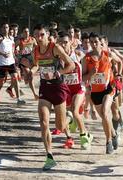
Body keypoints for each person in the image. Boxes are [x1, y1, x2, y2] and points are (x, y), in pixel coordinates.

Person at [31, 24, 74, 170]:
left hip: (58, 87)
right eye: (36, 34)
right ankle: (49, 156)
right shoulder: (35, 50)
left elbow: (71, 65)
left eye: (42, 34)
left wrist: (57, 73)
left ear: (47, 35)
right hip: (45, 88)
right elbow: (36, 65)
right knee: (43, 122)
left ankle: (69, 117)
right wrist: (31, 71)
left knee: (60, 127)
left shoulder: (55, 48)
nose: (39, 37)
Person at [82, 32, 120, 154]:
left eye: (96, 42)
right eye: (91, 42)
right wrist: (90, 74)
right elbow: (83, 78)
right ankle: (113, 134)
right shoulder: (86, 58)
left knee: (104, 112)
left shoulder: (108, 54)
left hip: (108, 89)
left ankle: (108, 142)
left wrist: (118, 75)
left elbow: (120, 62)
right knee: (104, 117)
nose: (93, 44)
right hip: (95, 93)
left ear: (100, 42)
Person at [58, 31, 93, 149]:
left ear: (71, 44)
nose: (63, 45)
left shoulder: (78, 54)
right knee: (64, 115)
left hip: (79, 87)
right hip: (66, 90)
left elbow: (91, 59)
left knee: (75, 111)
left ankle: (84, 137)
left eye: (66, 42)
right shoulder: (57, 58)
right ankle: (77, 136)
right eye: (61, 43)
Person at [0, 23, 25, 105]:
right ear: (1, 29)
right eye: (4, 27)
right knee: (2, 81)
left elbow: (12, 49)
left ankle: (19, 99)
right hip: (2, 63)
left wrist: (15, 55)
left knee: (15, 78)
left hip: (11, 62)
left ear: (9, 29)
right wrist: (2, 54)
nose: (5, 29)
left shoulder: (12, 38)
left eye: (7, 27)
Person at [6, 27, 38, 100]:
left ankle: (10, 88)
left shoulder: (32, 39)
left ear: (29, 32)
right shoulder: (20, 41)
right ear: (22, 33)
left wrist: (35, 53)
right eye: (25, 32)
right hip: (22, 59)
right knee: (29, 75)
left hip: (30, 59)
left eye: (27, 31)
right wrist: (15, 55)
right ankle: (35, 94)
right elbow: (13, 48)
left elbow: (37, 47)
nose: (26, 33)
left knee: (26, 78)